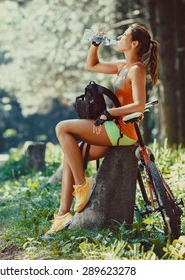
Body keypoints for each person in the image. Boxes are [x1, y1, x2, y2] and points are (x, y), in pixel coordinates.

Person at [46, 23, 159, 234]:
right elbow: (93, 65)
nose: (119, 37)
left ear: (134, 43)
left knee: (62, 128)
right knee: (71, 156)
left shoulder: (136, 69)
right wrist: (94, 45)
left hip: (122, 130)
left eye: (124, 35)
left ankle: (82, 185)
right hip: (112, 128)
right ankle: (63, 215)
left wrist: (110, 113)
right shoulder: (122, 66)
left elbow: (139, 105)